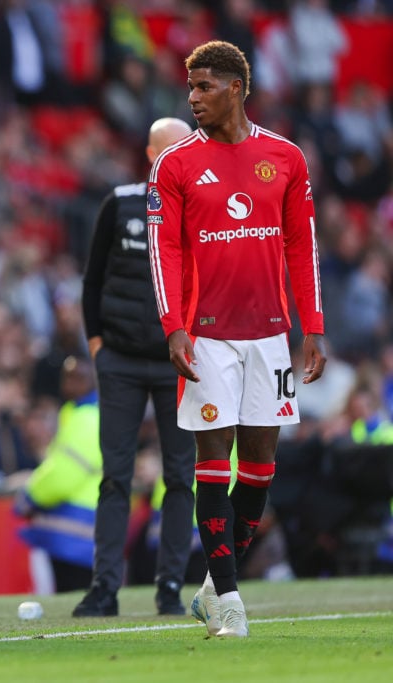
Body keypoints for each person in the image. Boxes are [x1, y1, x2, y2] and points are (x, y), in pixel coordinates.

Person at [148, 40, 327, 638]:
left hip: (272, 336)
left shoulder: (285, 157)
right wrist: (173, 324)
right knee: (211, 463)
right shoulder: (173, 165)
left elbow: (302, 247)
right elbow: (164, 251)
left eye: (204, 86)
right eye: (190, 87)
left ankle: (210, 585)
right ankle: (229, 602)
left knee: (259, 472)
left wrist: (315, 326)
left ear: (236, 88)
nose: (193, 97)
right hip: (206, 339)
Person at [72, 117, 196, 618]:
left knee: (181, 476)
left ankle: (170, 586)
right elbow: (92, 280)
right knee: (115, 477)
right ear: (150, 153)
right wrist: (99, 345)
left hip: (179, 363)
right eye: (169, 149)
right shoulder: (121, 203)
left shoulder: (203, 210)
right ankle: (105, 588)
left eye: (185, 148)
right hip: (120, 361)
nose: (176, 157)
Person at [15, 356, 102, 594]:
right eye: (67, 377)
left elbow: (65, 473)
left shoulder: (88, 418)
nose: (70, 383)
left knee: (73, 592)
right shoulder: (77, 413)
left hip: (77, 523)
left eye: (78, 378)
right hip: (80, 521)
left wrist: (31, 496)